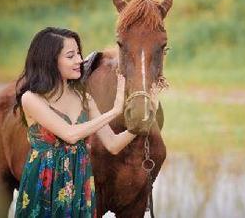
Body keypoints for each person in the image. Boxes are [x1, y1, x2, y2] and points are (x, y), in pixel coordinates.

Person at [13, 27, 160, 217]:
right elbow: (70, 134)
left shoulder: (84, 98)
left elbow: (113, 144)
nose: (79, 60)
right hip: (45, 183)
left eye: (79, 53)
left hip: (80, 182)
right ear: (49, 60)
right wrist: (115, 110)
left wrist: (141, 123)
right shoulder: (32, 99)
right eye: (70, 55)